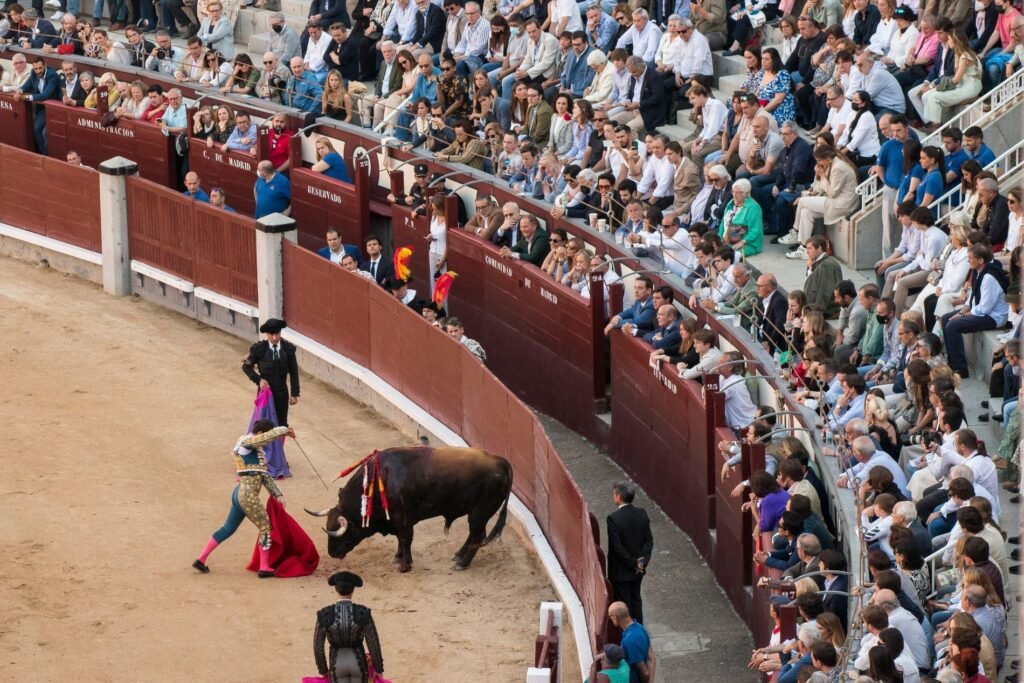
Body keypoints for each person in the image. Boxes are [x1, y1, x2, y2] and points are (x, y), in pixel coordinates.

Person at [192, 419, 292, 577]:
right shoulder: (246, 442)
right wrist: (283, 429)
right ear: (259, 433)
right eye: (265, 438)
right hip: (247, 496)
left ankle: (201, 559)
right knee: (266, 527)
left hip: (240, 493)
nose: (267, 444)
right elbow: (263, 439)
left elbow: (264, 476)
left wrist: (278, 494)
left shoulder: (254, 450)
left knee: (228, 529)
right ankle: (264, 567)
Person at [313, 571, 384, 683]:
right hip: (358, 662)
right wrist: (378, 669)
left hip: (337, 663)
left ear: (335, 589)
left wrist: (323, 670)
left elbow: (318, 648)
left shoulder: (324, 614)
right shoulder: (363, 612)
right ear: (353, 590)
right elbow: (373, 643)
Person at [606, 483, 653, 626]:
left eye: (614, 494)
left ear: (618, 497)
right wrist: (641, 563)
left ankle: (629, 636)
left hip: (621, 571)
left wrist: (633, 563)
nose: (613, 496)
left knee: (624, 607)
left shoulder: (613, 518)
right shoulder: (642, 513)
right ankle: (640, 630)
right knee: (636, 601)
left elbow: (617, 547)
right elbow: (648, 541)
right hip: (638, 570)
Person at [243, 319, 300, 428]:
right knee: (264, 425)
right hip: (265, 393)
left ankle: (279, 446)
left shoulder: (288, 349)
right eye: (271, 335)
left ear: (280, 333)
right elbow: (246, 366)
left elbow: (294, 371)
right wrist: (259, 380)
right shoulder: (259, 349)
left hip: (282, 393)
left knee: (281, 424)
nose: (274, 338)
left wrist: (294, 393)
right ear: (267, 334)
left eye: (277, 334)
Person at [608, 602, 655, 683]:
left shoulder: (629, 641)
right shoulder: (640, 627)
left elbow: (645, 672)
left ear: (615, 618)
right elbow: (651, 658)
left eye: (610, 616)